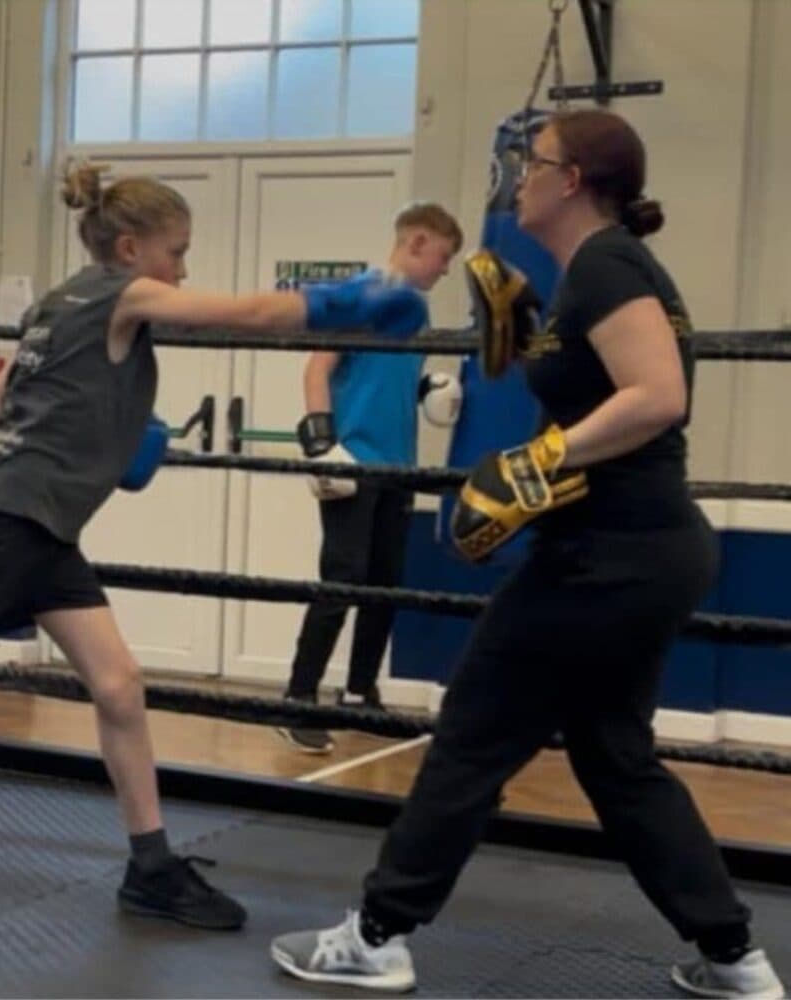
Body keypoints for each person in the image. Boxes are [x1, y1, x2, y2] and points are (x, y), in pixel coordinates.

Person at [0, 165, 427, 931]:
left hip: (41, 526)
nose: (183, 270)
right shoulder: (127, 292)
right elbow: (250, 311)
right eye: (177, 252)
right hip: (4, 522)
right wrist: (347, 301)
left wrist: (98, 425)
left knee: (120, 686)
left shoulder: (60, 301)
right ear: (131, 247)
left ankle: (151, 865)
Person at [269, 110, 785, 998]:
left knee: (473, 731)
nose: (518, 175)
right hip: (638, 550)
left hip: (608, 553)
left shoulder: (610, 262)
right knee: (614, 757)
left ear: (573, 180)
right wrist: (529, 322)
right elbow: (597, 371)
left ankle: (377, 936)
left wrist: (545, 455)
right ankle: (734, 957)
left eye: (534, 161)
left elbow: (658, 395)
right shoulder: (581, 274)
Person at [278, 202, 463, 754]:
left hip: (397, 466)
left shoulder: (415, 310)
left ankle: (360, 692)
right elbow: (317, 369)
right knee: (342, 580)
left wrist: (426, 387)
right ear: (417, 243)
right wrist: (322, 446)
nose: (446, 268)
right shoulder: (362, 298)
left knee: (384, 583)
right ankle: (296, 700)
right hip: (354, 462)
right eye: (443, 256)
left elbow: (384, 380)